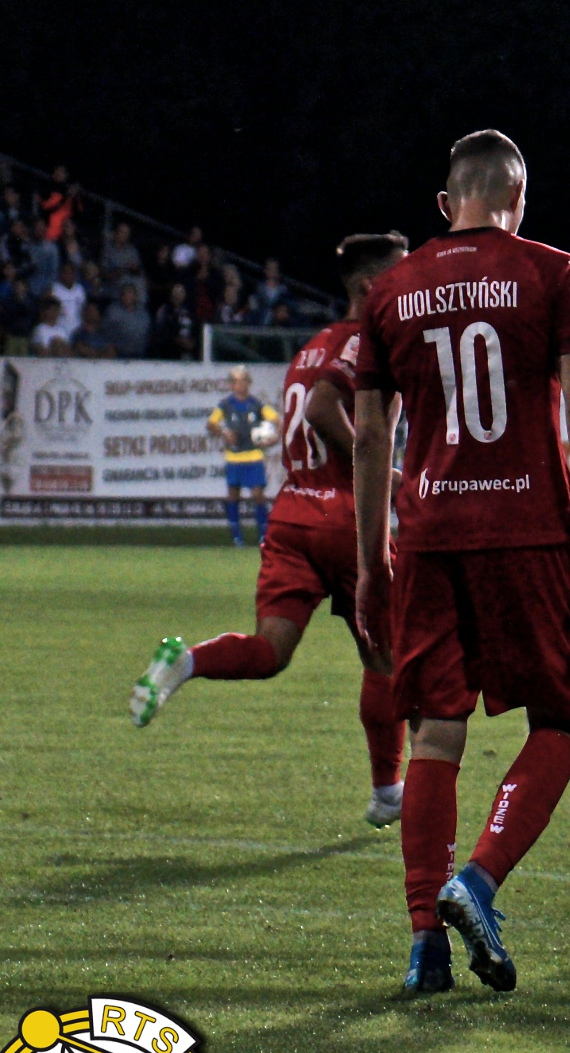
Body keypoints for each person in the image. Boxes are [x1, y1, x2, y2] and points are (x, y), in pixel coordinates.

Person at [350, 129, 570, 995]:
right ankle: (479, 878)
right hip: (528, 527)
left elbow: (369, 436)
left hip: (429, 534)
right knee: (562, 719)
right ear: (519, 198)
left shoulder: (391, 289)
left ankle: (424, 946)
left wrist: (370, 561)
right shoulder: (552, 270)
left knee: (436, 730)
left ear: (446, 203)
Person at [130, 234, 413, 831]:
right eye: (399, 278)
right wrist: (381, 471)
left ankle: (187, 662)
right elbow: (320, 411)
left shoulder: (311, 347)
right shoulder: (368, 341)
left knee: (270, 651)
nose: (410, 287)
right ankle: (389, 790)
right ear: (370, 288)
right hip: (345, 518)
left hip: (292, 517)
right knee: (385, 656)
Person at [206, 365, 280, 547]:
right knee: (233, 495)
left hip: (254, 456)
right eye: (237, 382)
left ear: (249, 383)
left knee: (258, 494)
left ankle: (263, 535)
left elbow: (277, 420)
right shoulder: (226, 405)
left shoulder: (256, 404)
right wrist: (224, 432)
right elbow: (211, 424)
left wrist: (274, 438)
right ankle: (237, 537)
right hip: (234, 457)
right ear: (231, 385)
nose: (241, 385)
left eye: (244, 381)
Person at [103, 284, 151, 360]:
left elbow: (147, 332)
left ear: (135, 296)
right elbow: (106, 330)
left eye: (130, 293)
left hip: (140, 354)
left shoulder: (143, 313)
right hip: (119, 354)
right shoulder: (113, 311)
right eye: (124, 293)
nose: (127, 296)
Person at [152, 282, 197, 360]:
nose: (179, 295)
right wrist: (179, 341)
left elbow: (195, 328)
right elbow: (163, 332)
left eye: (182, 292)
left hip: (188, 353)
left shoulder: (189, 310)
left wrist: (192, 342)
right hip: (170, 353)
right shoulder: (165, 310)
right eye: (177, 292)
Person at [49, 261, 85, 337]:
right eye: (65, 272)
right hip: (60, 328)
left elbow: (83, 310)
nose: (68, 275)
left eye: (70, 272)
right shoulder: (54, 289)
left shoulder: (79, 289)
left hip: (77, 329)